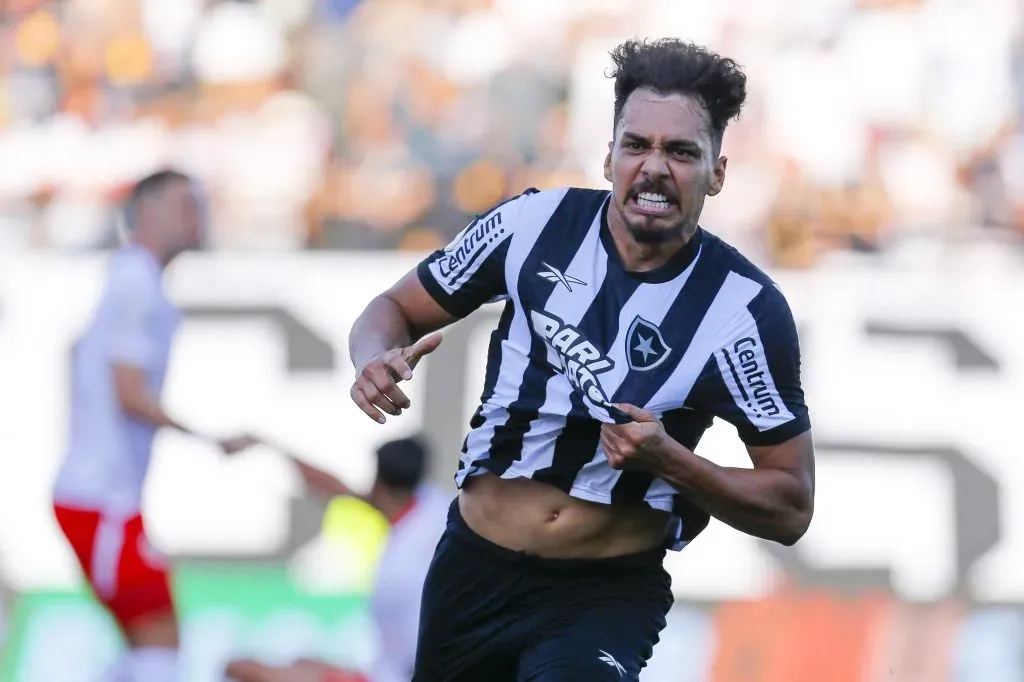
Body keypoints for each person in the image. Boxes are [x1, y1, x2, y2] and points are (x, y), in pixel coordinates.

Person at [347, 38, 816, 681]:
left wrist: (669, 460)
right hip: (472, 569)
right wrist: (373, 357)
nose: (654, 168)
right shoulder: (532, 223)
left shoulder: (744, 311)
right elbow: (391, 308)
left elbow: (790, 506)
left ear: (718, 173)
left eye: (681, 152)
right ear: (608, 155)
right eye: (637, 145)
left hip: (602, 596)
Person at [51, 169, 257, 682]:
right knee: (161, 642)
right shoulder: (136, 282)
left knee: (149, 643)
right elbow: (129, 395)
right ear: (146, 212)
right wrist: (210, 438)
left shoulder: (131, 277)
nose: (196, 218)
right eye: (184, 205)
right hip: (102, 502)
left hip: (103, 499)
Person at [224, 437, 451, 682]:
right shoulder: (440, 506)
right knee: (301, 663)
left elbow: (333, 487)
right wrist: (268, 445)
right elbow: (335, 487)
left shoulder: (397, 567)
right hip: (425, 666)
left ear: (378, 481)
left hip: (403, 675)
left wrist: (266, 443)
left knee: (245, 669)